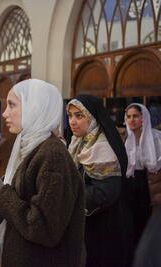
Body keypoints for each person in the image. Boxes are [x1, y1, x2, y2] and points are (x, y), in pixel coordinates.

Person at [0, 79, 85, 267]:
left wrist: (1, 193)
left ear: (35, 108)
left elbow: (42, 227)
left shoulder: (52, 156)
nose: (4, 113)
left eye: (12, 105)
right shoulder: (33, 148)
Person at [67, 95, 133, 267]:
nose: (72, 121)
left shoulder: (104, 147)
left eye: (79, 116)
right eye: (70, 115)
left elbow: (105, 194)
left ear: (92, 118)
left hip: (105, 226)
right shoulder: (77, 143)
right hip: (84, 226)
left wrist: (68, 194)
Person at [124, 103, 161, 245]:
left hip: (151, 186)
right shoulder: (125, 139)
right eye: (128, 116)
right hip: (132, 187)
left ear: (143, 118)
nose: (131, 120)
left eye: (135, 116)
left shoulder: (156, 138)